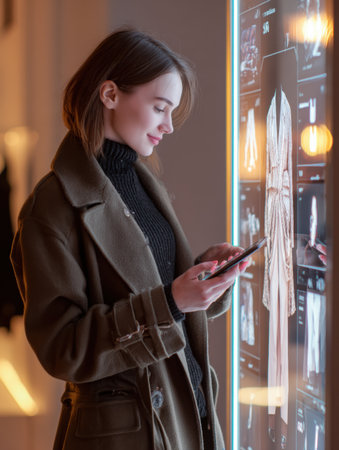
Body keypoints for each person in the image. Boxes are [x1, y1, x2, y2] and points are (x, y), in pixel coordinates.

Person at [10, 28, 248, 450]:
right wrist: (172, 301)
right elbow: (63, 348)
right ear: (110, 94)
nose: (169, 126)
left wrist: (199, 276)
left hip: (184, 417)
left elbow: (145, 290)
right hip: (126, 434)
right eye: (160, 108)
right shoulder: (50, 208)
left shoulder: (139, 180)